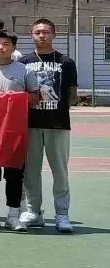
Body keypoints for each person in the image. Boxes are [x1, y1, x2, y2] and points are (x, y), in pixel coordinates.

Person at [0, 31, 41, 231]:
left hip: (14, 131)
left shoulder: (24, 70)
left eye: (5, 44)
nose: (0, 47)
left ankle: (13, 216)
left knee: (14, 174)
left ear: (13, 48)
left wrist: (16, 98)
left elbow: (36, 96)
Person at [19, 19, 77, 233]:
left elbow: (71, 93)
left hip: (58, 124)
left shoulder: (66, 62)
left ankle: (62, 214)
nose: (42, 35)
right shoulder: (23, 62)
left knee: (60, 171)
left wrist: (57, 109)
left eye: (46, 32)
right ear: (31, 35)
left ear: (54, 34)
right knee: (31, 171)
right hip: (30, 124)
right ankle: (34, 212)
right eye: (38, 32)